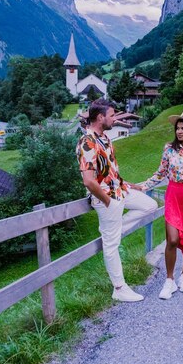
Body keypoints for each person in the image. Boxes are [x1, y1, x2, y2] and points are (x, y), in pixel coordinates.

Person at [76, 98, 157, 302]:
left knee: (150, 205)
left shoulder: (106, 139)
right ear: (100, 117)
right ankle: (119, 288)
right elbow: (89, 181)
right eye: (112, 115)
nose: (115, 118)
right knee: (111, 245)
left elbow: (111, 173)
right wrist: (107, 201)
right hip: (107, 198)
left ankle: (114, 230)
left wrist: (131, 185)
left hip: (120, 190)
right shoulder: (87, 142)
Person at [133, 110, 183, 300]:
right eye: (177, 128)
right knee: (173, 239)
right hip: (174, 196)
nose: (179, 131)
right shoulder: (169, 149)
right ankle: (169, 280)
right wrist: (142, 186)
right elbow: (160, 173)